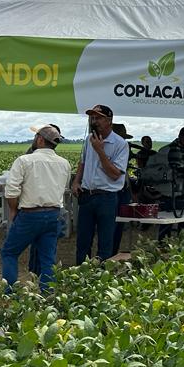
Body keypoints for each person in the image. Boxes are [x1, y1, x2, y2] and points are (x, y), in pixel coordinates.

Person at [1, 125, 72, 292]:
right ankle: (47, 293)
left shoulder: (24, 160)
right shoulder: (64, 163)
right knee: (48, 258)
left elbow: (11, 191)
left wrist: (13, 210)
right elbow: (63, 188)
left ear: (40, 139)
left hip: (29, 214)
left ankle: (9, 293)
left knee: (9, 253)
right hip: (54, 213)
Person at [72, 105, 129, 263]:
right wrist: (76, 181)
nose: (94, 121)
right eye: (92, 118)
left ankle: (102, 278)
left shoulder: (120, 144)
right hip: (87, 196)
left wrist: (100, 150)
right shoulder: (89, 139)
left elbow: (115, 174)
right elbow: (82, 163)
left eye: (98, 118)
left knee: (105, 242)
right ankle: (81, 275)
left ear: (109, 121)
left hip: (107, 198)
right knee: (83, 242)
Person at [111, 123, 135, 254]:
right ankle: (110, 252)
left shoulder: (124, 148)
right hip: (115, 190)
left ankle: (114, 251)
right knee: (112, 224)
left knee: (119, 223)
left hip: (123, 189)